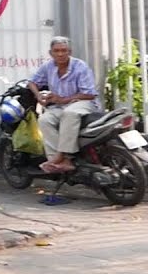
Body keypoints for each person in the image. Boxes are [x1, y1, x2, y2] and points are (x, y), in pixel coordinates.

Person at [28, 36, 99, 173]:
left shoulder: (80, 67)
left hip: (84, 104)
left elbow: (90, 94)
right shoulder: (48, 66)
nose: (60, 54)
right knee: (44, 119)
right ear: (51, 53)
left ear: (69, 52)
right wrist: (39, 97)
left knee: (70, 113)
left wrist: (63, 100)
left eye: (64, 50)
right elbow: (32, 82)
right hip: (61, 106)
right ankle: (56, 161)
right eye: (57, 51)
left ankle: (63, 157)